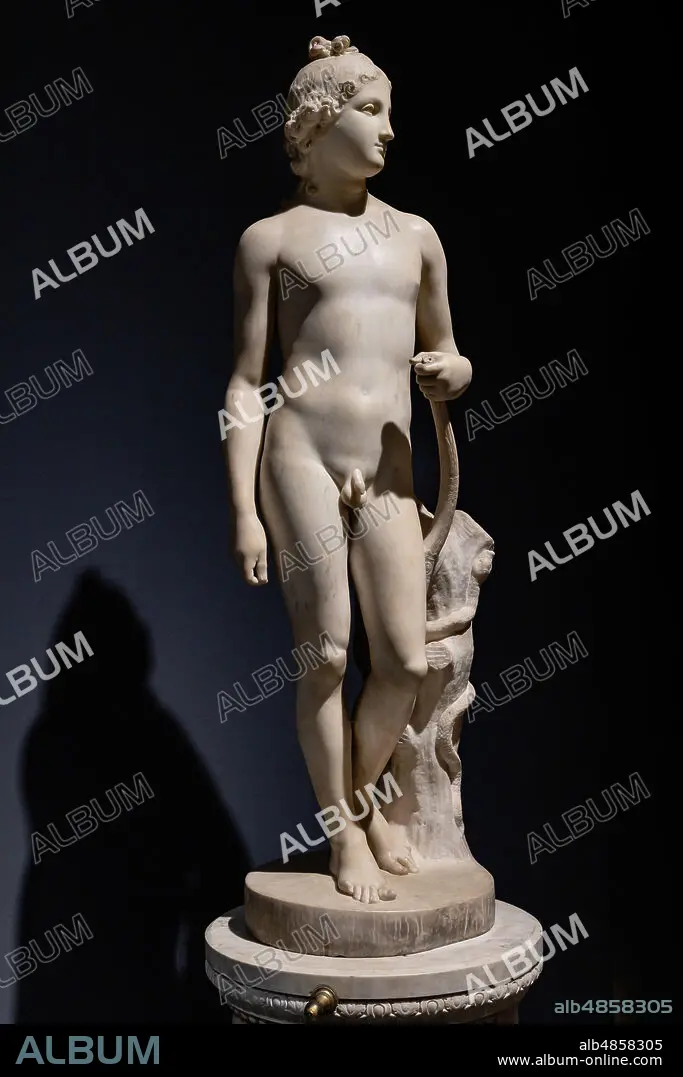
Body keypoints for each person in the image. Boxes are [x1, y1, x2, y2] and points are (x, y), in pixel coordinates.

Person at [224, 35, 472, 903]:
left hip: (389, 465)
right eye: (370, 110)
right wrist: (244, 510)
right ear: (315, 124)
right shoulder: (270, 240)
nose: (388, 129)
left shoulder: (415, 237)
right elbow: (247, 383)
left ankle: (366, 800)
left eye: (388, 111)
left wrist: (453, 372)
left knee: (403, 661)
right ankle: (344, 834)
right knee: (326, 653)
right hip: (302, 457)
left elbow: (448, 349)